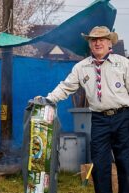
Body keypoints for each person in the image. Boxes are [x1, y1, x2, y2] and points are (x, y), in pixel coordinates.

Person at [36, 26, 129, 193]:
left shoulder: (123, 63)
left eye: (102, 39)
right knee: (100, 165)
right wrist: (48, 99)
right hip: (99, 120)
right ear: (90, 44)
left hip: (124, 117)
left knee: (126, 162)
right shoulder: (81, 67)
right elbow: (66, 87)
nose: (98, 43)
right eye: (94, 40)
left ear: (109, 43)